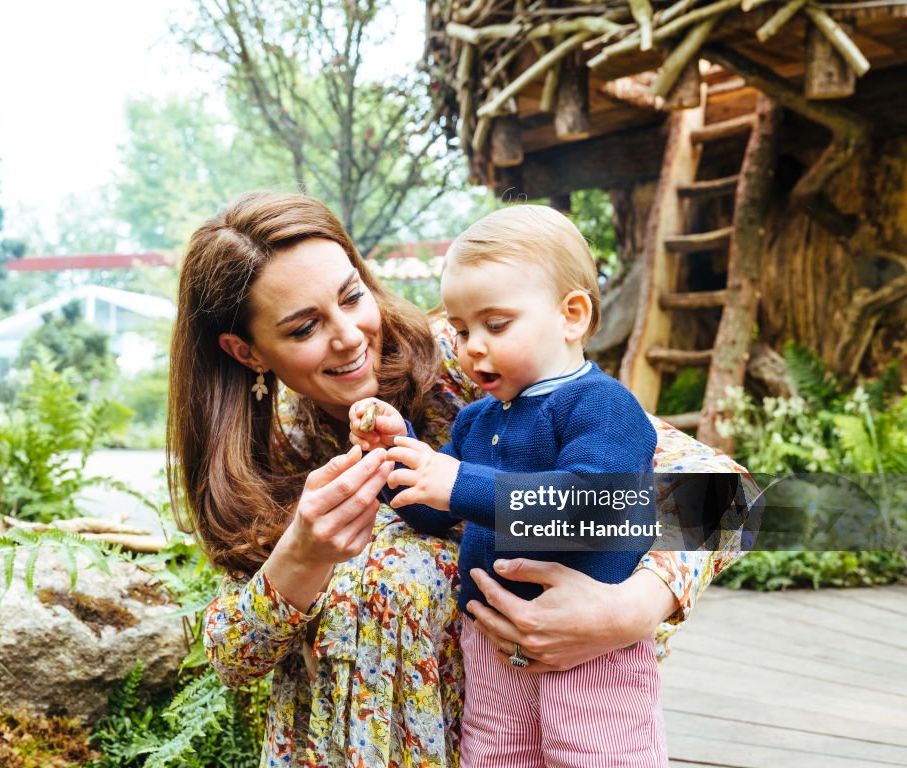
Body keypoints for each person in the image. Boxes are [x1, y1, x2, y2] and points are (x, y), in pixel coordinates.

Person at [168, 191, 750, 768]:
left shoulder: (477, 359)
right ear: (247, 352)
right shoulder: (261, 456)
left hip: (525, 723)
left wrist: (630, 610)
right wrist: (300, 557)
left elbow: (727, 495)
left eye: (352, 296)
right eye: (303, 329)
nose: (348, 335)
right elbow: (234, 658)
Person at [349, 205, 665, 767]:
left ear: (571, 316)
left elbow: (593, 505)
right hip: (491, 645)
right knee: (496, 754)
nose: (473, 346)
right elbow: (433, 511)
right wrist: (397, 458)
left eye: (496, 325)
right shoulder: (477, 420)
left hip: (589, 653)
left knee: (596, 756)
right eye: (463, 329)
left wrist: (461, 483)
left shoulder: (602, 405)